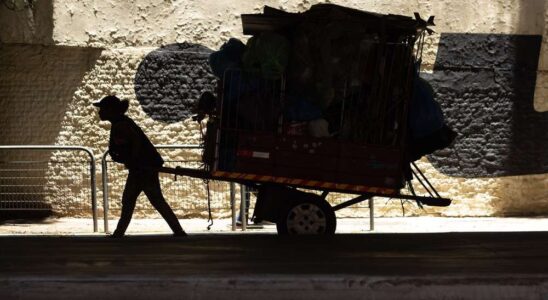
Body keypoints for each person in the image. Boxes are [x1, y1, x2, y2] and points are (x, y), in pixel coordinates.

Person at [94, 95, 187, 238]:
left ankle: (119, 233)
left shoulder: (121, 125)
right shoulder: (122, 122)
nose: (99, 112)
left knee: (134, 199)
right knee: (145, 199)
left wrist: (133, 159)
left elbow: (136, 141)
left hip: (142, 168)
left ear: (110, 110)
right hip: (142, 167)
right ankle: (178, 231)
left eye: (102, 109)